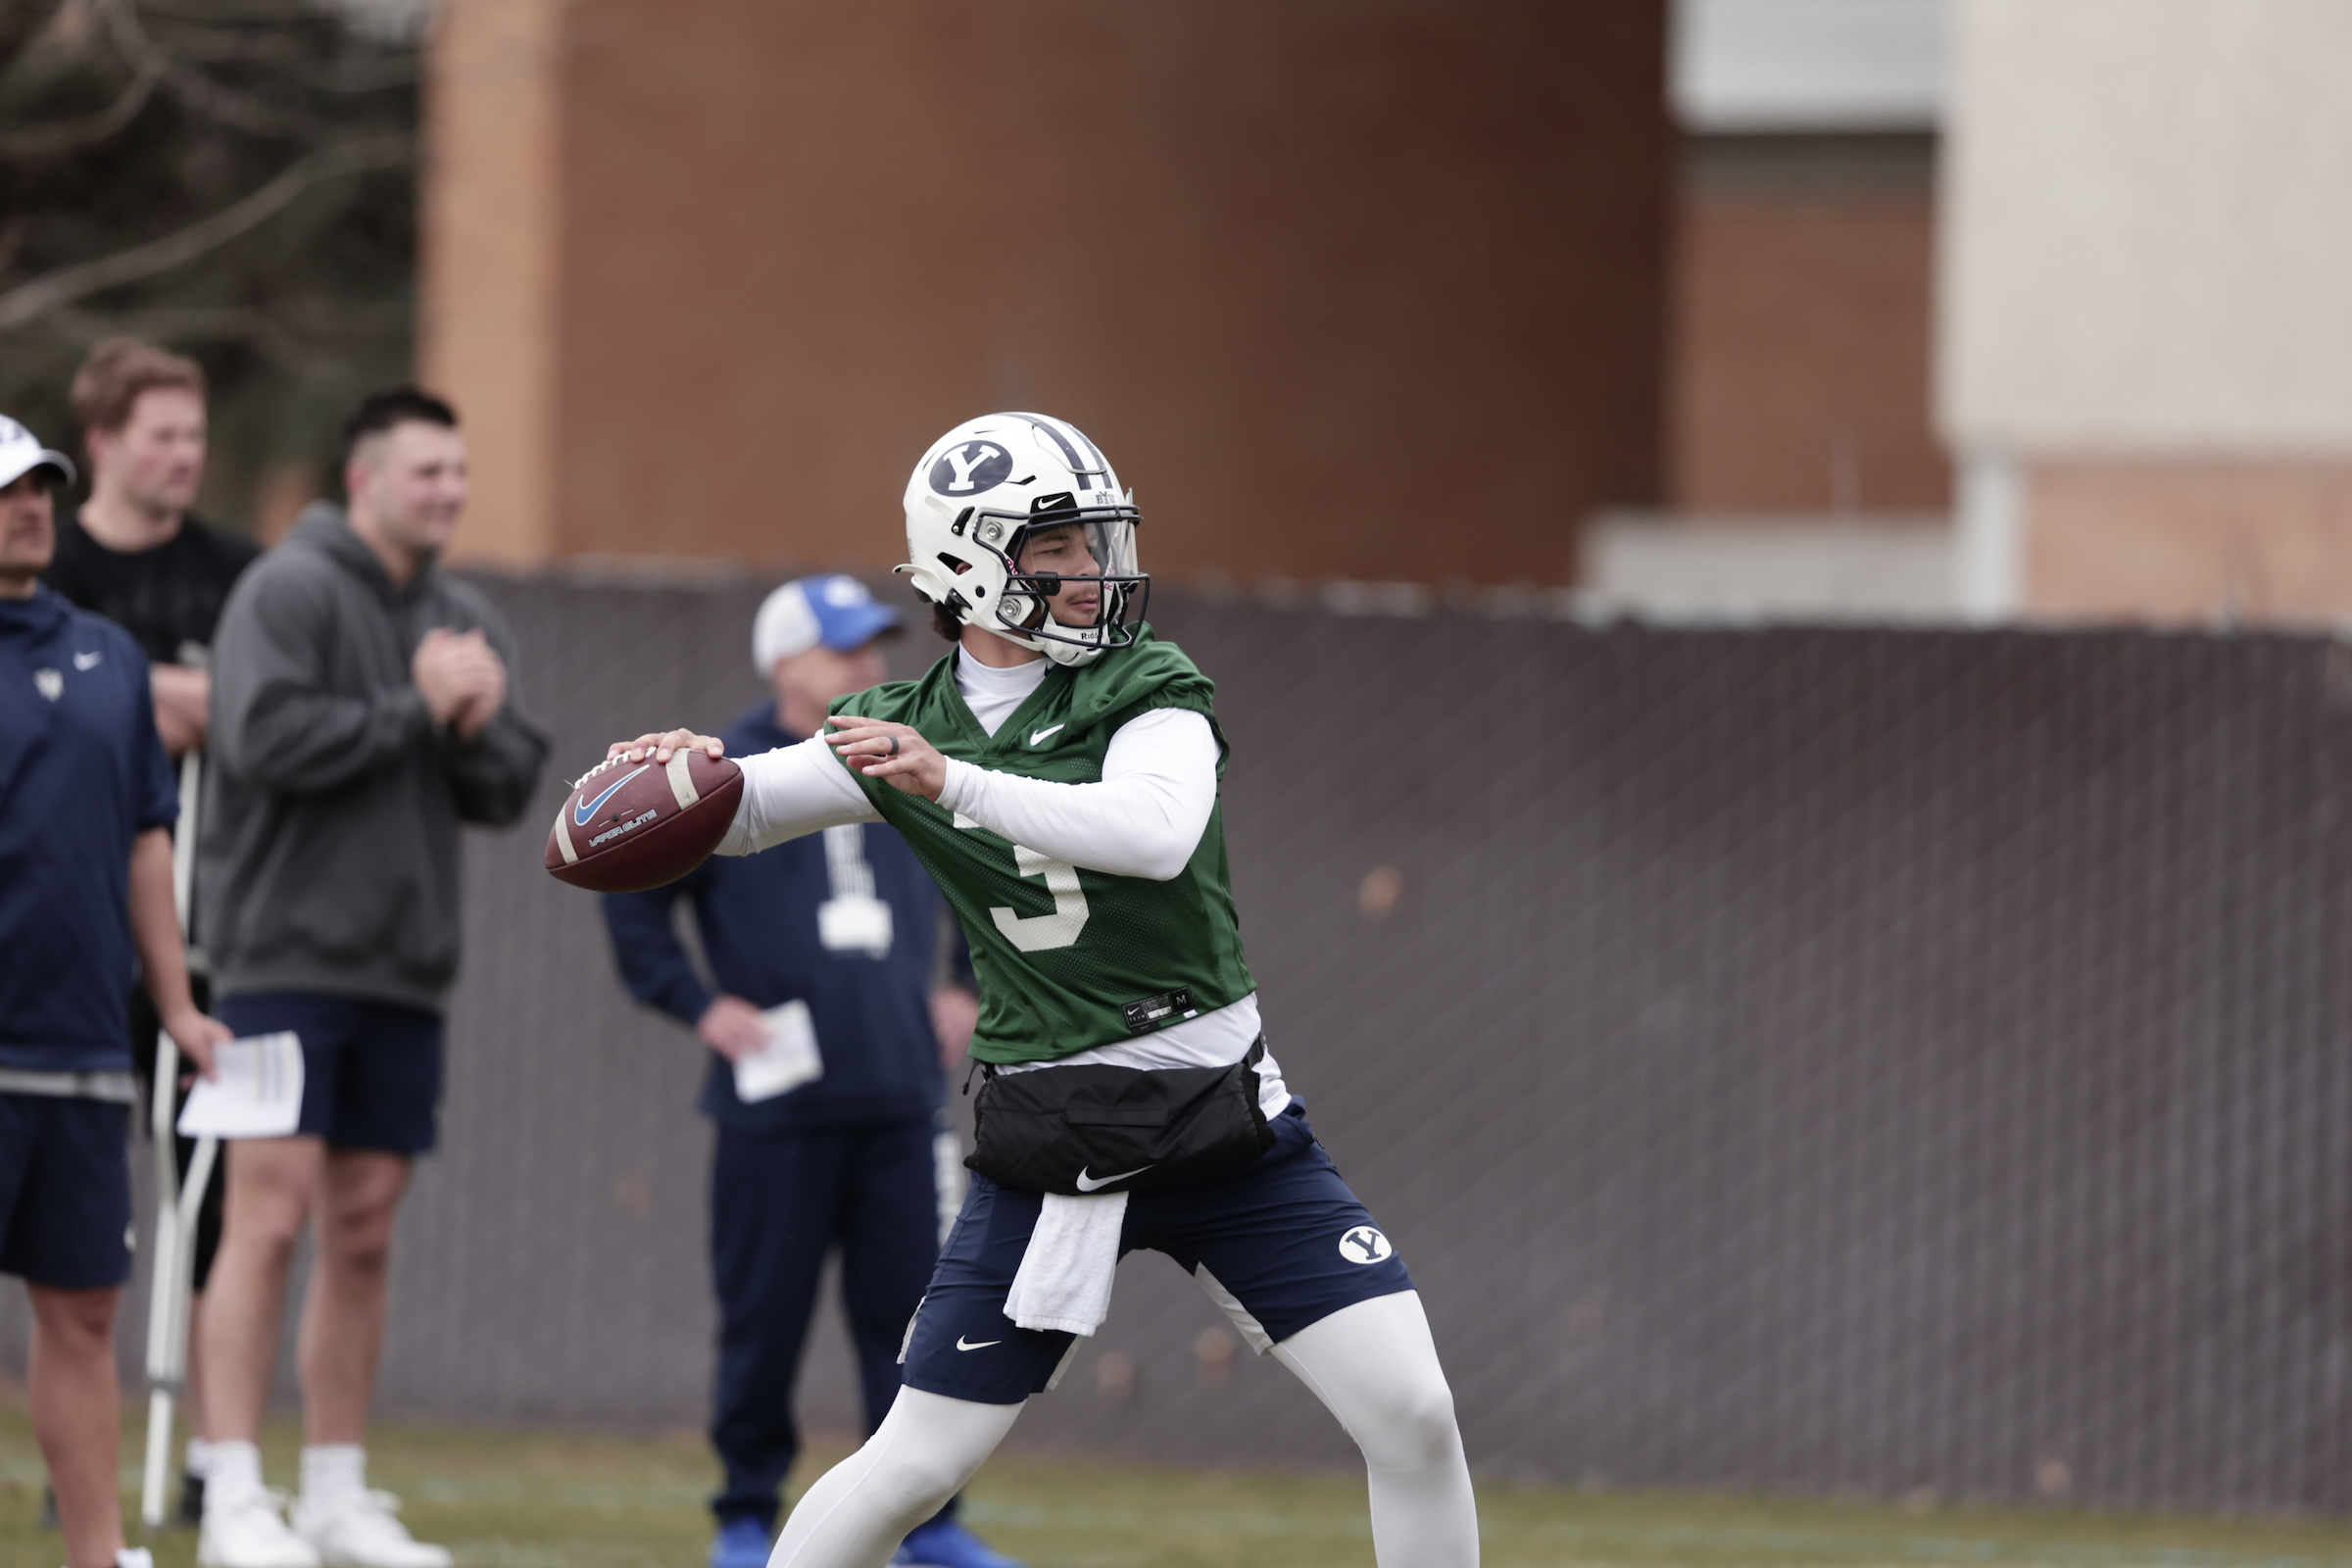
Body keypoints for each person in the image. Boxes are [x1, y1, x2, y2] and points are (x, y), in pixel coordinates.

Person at [607, 414, 1480, 1568]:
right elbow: (752, 811)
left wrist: (952, 782)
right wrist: (687, 777)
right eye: (1058, 547)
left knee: (1413, 1411)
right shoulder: (908, 726)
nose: (1092, 572)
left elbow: (1157, 832)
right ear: (971, 565)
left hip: (1224, 1120)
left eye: (1097, 542)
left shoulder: (1147, 680)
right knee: (914, 1461)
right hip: (1058, 1139)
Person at [194, 388, 550, 1568]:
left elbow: (503, 786)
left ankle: (336, 1493)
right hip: (276, 965)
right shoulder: (285, 590)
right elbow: (260, 740)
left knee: (363, 1231)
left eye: (458, 471)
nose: (448, 491)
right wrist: (420, 706)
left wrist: (472, 721)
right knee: (270, 1215)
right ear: (364, 480)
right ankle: (236, 1488)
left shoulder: (460, 610)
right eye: (426, 472)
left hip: (404, 974)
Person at [599, 574, 1021, 1568]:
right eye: (841, 648)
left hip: (897, 1096)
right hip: (775, 1107)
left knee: (914, 1320)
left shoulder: (901, 747)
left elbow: (984, 852)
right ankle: (745, 1515)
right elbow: (630, 898)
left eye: (874, 644)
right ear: (784, 659)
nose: (866, 664)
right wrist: (700, 1006)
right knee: (764, 1318)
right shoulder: (720, 768)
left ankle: (928, 1523)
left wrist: (964, 981)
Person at [0, 412, 231, 1568]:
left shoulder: (109, 656)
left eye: (41, 485)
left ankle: (98, 1553)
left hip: (85, 1043)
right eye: (9, 490)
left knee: (85, 1310)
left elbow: (151, 841)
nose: (32, 503)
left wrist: (178, 1005)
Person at [40, 337, 262, 1523]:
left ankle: (196, 1450)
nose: (185, 457)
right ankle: (72, 1453)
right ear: (106, 444)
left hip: (205, 924)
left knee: (207, 1191)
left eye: (195, 435)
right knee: (65, 1206)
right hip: (64, 940)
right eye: (162, 436)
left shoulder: (236, 572)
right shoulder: (50, 560)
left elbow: (264, 702)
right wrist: (158, 695)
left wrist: (173, 700)